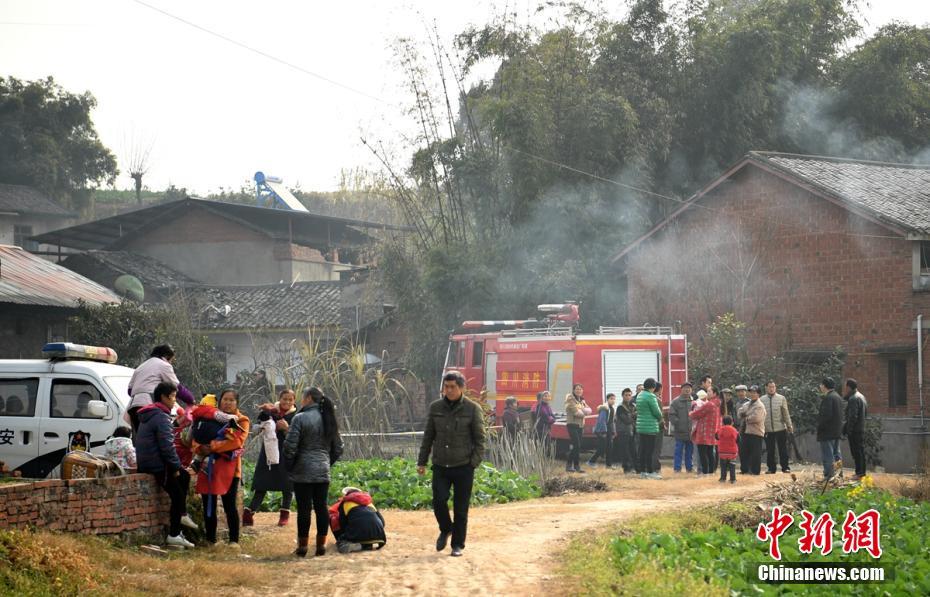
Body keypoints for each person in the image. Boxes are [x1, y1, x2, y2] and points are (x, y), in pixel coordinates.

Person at [416, 371, 488, 558]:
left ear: (461, 388)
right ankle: (446, 529)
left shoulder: (472, 409)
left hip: (463, 466)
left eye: (452, 387)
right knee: (438, 501)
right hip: (440, 465)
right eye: (446, 387)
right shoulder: (436, 408)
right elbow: (428, 436)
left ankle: (458, 545)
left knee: (460, 508)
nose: (448, 390)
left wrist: (473, 463)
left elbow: (480, 439)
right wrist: (422, 461)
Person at [284, 387, 344, 557]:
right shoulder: (329, 418)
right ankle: (321, 546)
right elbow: (339, 448)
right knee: (321, 507)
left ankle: (302, 547)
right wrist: (326, 462)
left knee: (304, 509)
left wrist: (290, 464)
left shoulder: (300, 418)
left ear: (308, 398)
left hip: (302, 470)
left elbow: (290, 446)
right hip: (322, 469)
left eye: (302, 397)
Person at [134, 382, 193, 548]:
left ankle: (181, 517)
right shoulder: (161, 417)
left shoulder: (151, 414)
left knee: (185, 477)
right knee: (178, 495)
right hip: (158, 464)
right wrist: (174, 467)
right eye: (173, 396)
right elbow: (167, 446)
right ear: (164, 397)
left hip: (147, 462)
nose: (175, 401)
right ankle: (175, 532)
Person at [193, 388, 249, 549]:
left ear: (237, 403)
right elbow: (196, 439)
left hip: (231, 469)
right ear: (219, 401)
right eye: (225, 399)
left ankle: (233, 541)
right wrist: (199, 448)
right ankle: (211, 540)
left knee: (229, 504)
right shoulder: (207, 417)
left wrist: (211, 446)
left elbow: (236, 442)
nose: (228, 403)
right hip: (207, 467)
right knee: (208, 503)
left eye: (232, 400)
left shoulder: (241, 420)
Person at [244, 388, 298, 528]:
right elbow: (256, 428)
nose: (286, 402)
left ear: (294, 401)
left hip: (287, 453)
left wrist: (286, 429)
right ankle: (249, 513)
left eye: (290, 399)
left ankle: (284, 514)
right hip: (268, 452)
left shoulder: (297, 416)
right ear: (279, 399)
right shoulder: (269, 411)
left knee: (287, 484)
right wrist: (260, 426)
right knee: (262, 482)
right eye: (284, 399)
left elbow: (299, 437)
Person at [127, 345, 181, 433]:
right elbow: (176, 386)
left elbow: (130, 390)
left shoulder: (141, 367)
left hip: (134, 406)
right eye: (172, 360)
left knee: (140, 436)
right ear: (167, 357)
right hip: (149, 405)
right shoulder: (164, 365)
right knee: (155, 435)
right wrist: (191, 401)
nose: (171, 363)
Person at [328, 486, 386, 553]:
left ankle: (360, 545)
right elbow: (382, 522)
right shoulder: (369, 502)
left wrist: (346, 536)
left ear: (346, 494)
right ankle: (366, 544)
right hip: (380, 536)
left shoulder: (345, 503)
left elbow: (342, 523)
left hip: (357, 533)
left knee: (340, 543)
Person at [761, 381, 793, 474]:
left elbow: (785, 413)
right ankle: (771, 468)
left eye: (773, 387)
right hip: (768, 429)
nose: (772, 388)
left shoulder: (781, 398)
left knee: (783, 449)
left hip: (780, 428)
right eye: (770, 387)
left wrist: (789, 425)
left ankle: (785, 467)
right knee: (770, 450)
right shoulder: (762, 399)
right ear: (766, 388)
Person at [816, 377, 845, 480]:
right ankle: (839, 475)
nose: (820, 386)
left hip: (827, 432)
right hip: (837, 431)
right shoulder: (838, 397)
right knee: (837, 454)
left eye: (821, 384)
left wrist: (820, 427)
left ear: (825, 386)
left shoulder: (828, 398)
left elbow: (826, 416)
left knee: (828, 455)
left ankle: (829, 475)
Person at [690, 385, 722, 475]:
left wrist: (691, 412)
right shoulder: (718, 403)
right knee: (710, 453)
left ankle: (705, 472)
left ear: (714, 393)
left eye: (709, 391)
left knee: (703, 453)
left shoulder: (710, 404)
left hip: (704, 431)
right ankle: (711, 471)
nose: (707, 393)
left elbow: (696, 414)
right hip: (713, 431)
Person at [635, 378, 662, 479]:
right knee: (650, 451)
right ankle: (651, 472)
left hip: (641, 427)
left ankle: (643, 472)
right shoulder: (651, 396)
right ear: (653, 387)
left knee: (642, 450)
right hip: (650, 427)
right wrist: (660, 417)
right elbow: (657, 412)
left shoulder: (640, 395)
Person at [737, 385, 767, 475]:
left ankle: (755, 471)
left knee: (755, 453)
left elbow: (756, 418)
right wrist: (746, 415)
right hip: (745, 431)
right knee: (743, 452)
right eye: (751, 392)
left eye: (755, 392)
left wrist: (745, 417)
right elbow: (739, 413)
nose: (752, 394)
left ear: (758, 394)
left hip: (756, 432)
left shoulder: (760, 406)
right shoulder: (746, 404)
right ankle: (744, 469)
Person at [843, 379, 868, 480]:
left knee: (856, 452)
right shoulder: (862, 396)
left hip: (855, 430)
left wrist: (848, 430)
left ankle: (859, 473)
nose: (845, 389)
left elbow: (853, 416)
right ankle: (862, 472)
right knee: (860, 451)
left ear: (849, 387)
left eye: (846, 387)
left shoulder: (853, 398)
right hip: (861, 428)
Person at [669, 382, 694, 473]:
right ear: (681, 389)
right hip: (680, 431)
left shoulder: (693, 401)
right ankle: (677, 468)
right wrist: (677, 424)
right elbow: (671, 415)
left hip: (691, 432)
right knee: (678, 451)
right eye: (685, 388)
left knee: (690, 452)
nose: (687, 390)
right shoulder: (675, 401)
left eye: (689, 388)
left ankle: (689, 468)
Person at [563, 383, 589, 473]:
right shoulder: (570, 399)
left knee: (578, 446)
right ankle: (570, 465)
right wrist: (583, 411)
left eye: (580, 389)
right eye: (577, 389)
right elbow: (576, 413)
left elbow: (589, 410)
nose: (579, 391)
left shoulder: (582, 400)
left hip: (580, 425)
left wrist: (584, 410)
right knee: (576, 445)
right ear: (573, 390)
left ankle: (576, 466)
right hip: (572, 424)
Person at [588, 393, 616, 468]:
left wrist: (613, 431)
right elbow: (602, 420)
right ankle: (591, 461)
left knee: (610, 447)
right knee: (602, 448)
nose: (613, 400)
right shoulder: (605, 408)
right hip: (602, 430)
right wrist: (603, 432)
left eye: (614, 399)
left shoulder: (612, 408)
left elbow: (612, 421)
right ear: (607, 399)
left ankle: (608, 465)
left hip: (609, 430)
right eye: (611, 399)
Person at [615, 388, 636, 473]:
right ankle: (626, 469)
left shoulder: (633, 406)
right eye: (626, 395)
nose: (628, 397)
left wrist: (633, 416)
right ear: (622, 396)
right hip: (623, 431)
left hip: (632, 431)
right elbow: (626, 420)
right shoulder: (620, 407)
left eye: (629, 395)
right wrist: (634, 415)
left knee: (633, 450)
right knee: (625, 451)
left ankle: (633, 467)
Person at [716, 416, 739, 484]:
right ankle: (733, 479)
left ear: (722, 422)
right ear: (732, 422)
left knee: (723, 466)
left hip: (722, 452)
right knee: (732, 466)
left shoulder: (720, 429)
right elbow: (738, 439)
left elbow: (716, 437)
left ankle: (723, 478)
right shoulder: (734, 430)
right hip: (732, 452)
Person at [733, 385, 751, 473]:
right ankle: (743, 469)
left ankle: (750, 468)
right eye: (739, 391)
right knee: (741, 450)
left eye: (742, 391)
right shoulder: (737, 403)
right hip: (739, 428)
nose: (740, 393)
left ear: (746, 392)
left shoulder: (750, 402)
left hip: (748, 427)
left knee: (749, 449)